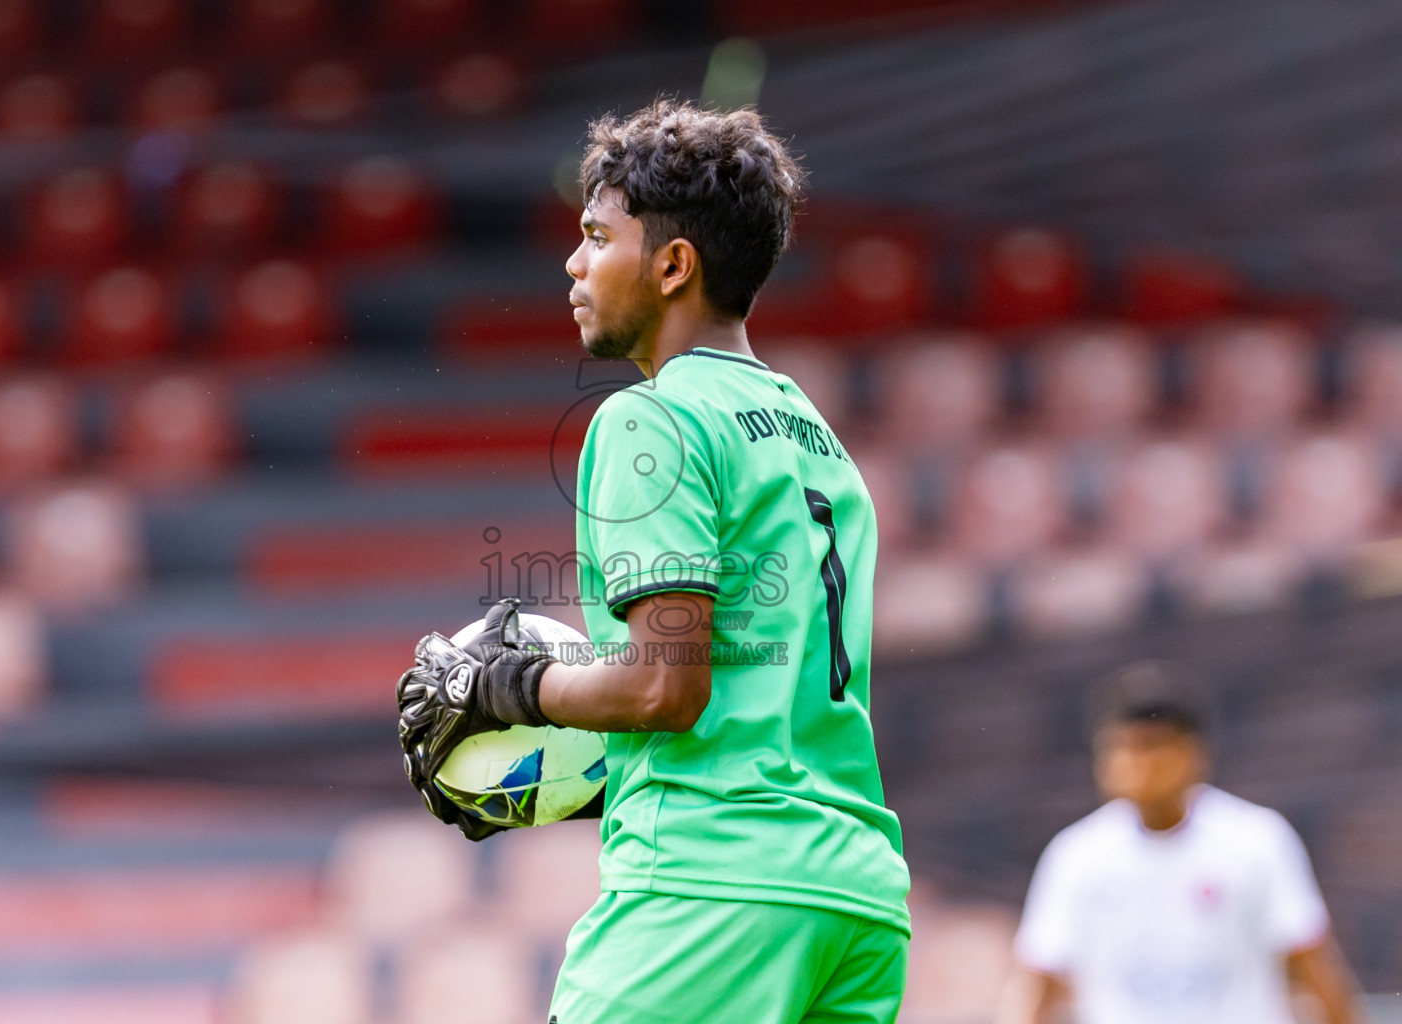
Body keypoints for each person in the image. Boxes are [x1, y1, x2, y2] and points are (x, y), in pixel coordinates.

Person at [396, 100, 910, 1023]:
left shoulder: (652, 420)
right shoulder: (817, 437)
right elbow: (757, 695)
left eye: (597, 236)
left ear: (673, 265)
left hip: (712, 887)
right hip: (857, 899)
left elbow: (663, 690)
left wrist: (508, 690)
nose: (574, 263)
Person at [996, 660, 1367, 1024]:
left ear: (1194, 752)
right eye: (1120, 747)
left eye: (1152, 746)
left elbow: (1313, 968)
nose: (1135, 764)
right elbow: (1037, 984)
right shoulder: (1075, 856)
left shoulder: (1258, 842)